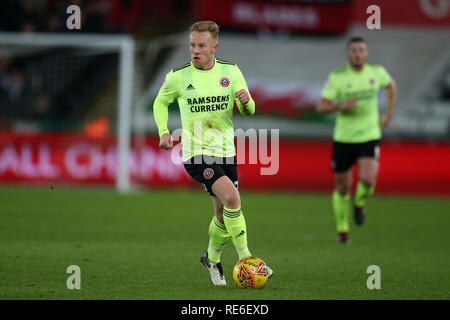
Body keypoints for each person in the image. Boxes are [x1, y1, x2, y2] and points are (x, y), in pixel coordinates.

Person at [153, 21, 273, 285]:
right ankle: (247, 259)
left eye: (202, 46)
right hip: (197, 155)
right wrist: (163, 131)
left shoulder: (230, 72)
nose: (195, 50)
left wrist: (245, 100)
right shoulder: (178, 77)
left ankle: (211, 258)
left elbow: (250, 110)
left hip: (226, 152)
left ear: (214, 47)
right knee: (232, 199)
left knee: (222, 215)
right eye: (192, 45)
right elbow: (160, 101)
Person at [316, 36, 397, 244]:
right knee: (342, 188)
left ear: (367, 53)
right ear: (347, 53)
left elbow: (391, 87)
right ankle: (343, 230)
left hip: (369, 135)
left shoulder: (377, 73)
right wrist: (341, 106)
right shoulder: (338, 77)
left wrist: (387, 115)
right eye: (353, 50)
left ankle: (359, 202)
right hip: (344, 138)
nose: (358, 53)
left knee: (368, 180)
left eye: (361, 50)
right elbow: (321, 106)